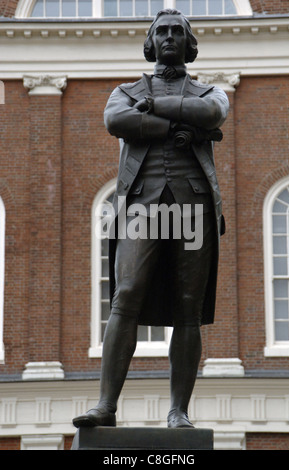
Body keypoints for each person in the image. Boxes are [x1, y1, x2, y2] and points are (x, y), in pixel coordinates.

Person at [73, 8, 229, 429]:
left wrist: (157, 108)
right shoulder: (125, 91)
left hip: (193, 206)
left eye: (178, 32)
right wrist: (177, 124)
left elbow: (213, 115)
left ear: (189, 43)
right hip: (142, 207)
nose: (170, 37)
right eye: (162, 31)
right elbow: (115, 120)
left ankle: (178, 411)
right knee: (126, 293)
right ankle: (106, 406)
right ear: (151, 41)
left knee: (188, 309)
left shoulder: (209, 90)